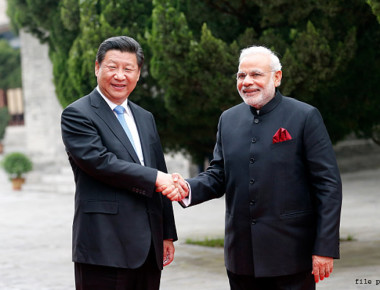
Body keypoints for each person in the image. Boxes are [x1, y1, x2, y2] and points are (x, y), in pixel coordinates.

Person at [161, 45, 342, 290]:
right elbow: (218, 175)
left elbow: (328, 186)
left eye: (256, 74)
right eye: (241, 75)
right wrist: (187, 187)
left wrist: (324, 247)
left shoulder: (305, 116)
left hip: (292, 256)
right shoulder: (228, 119)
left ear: (276, 77)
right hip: (241, 259)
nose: (247, 82)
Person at [61, 36, 186, 290]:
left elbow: (159, 167)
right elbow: (100, 162)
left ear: (138, 74)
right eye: (112, 67)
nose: (120, 76)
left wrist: (166, 234)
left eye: (128, 69)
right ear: (97, 68)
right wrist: (155, 178)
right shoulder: (77, 114)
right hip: (104, 246)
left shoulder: (145, 117)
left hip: (149, 247)